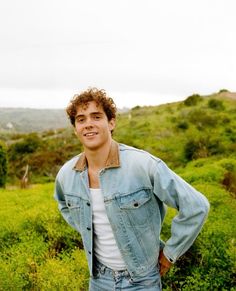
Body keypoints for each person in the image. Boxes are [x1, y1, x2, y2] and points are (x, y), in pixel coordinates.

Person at [54, 87, 210, 290]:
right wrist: (86, 227)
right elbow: (64, 205)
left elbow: (197, 207)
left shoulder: (143, 165)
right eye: (81, 119)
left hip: (142, 281)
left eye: (96, 116)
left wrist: (170, 254)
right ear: (75, 128)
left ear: (111, 122)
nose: (88, 124)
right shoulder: (67, 175)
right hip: (98, 280)